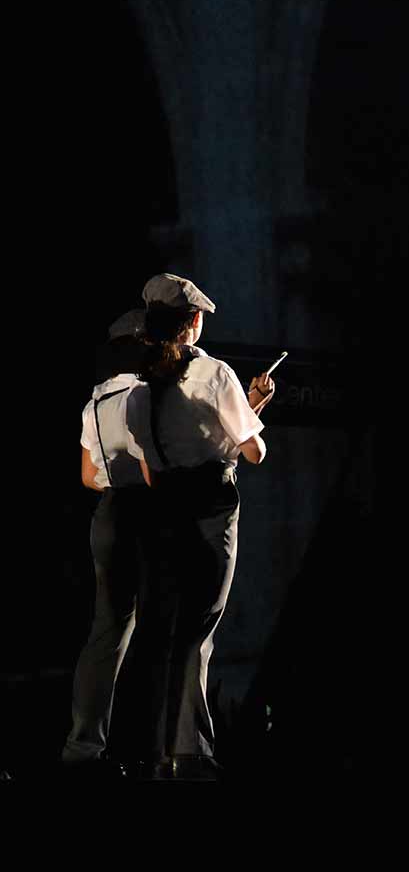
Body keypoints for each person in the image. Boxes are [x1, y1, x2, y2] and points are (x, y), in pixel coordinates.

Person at [123, 274, 275, 779]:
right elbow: (252, 452)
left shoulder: (139, 388)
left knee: (162, 627)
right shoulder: (214, 374)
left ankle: (152, 749)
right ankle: (191, 752)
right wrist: (251, 415)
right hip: (211, 509)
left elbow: (153, 464)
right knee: (198, 628)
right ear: (192, 322)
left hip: (163, 509)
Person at [62, 309, 149, 777]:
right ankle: (158, 746)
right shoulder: (146, 396)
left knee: (106, 634)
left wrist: (119, 478)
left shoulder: (95, 400)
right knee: (159, 632)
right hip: (145, 516)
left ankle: (84, 748)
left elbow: (87, 476)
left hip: (109, 513)